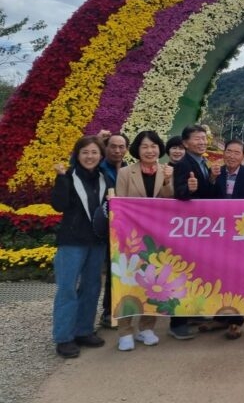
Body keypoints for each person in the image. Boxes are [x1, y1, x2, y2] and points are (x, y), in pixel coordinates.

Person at [51, 135, 112, 358]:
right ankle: (64, 337)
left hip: (96, 241)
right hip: (72, 241)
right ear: (77, 155)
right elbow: (58, 205)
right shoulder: (68, 176)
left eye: (94, 152)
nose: (90, 156)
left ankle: (84, 330)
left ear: (101, 156)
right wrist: (60, 180)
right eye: (85, 152)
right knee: (67, 288)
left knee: (92, 286)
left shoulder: (104, 178)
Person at [114, 131, 174, 351]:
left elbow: (172, 201)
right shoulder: (125, 173)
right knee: (129, 282)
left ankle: (147, 327)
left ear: (160, 148)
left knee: (155, 282)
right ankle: (125, 331)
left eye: (154, 146)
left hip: (158, 238)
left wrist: (168, 180)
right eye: (145, 147)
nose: (150, 151)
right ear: (137, 150)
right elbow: (119, 205)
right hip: (130, 238)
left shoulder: (167, 171)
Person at [199, 139, 244, 340]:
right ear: (223, 153)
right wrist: (212, 180)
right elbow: (204, 199)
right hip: (216, 233)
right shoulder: (215, 172)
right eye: (229, 151)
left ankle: (235, 322)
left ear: (243, 156)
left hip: (239, 235)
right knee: (216, 277)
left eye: (236, 152)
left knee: (236, 279)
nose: (232, 156)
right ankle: (219, 317)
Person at [169, 124, 216, 340]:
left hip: (202, 228)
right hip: (188, 229)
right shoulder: (183, 164)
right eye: (197, 139)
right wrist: (190, 189)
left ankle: (193, 313)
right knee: (183, 274)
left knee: (198, 272)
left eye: (204, 138)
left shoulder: (202, 162)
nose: (202, 142)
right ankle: (177, 323)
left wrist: (212, 180)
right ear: (186, 143)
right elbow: (180, 194)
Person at [97, 130, 129, 328]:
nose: (117, 150)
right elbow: (77, 163)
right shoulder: (98, 168)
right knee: (110, 270)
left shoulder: (127, 169)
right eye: (113, 146)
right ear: (106, 148)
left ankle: (123, 307)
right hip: (103, 227)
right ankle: (108, 311)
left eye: (121, 147)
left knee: (122, 268)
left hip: (125, 229)